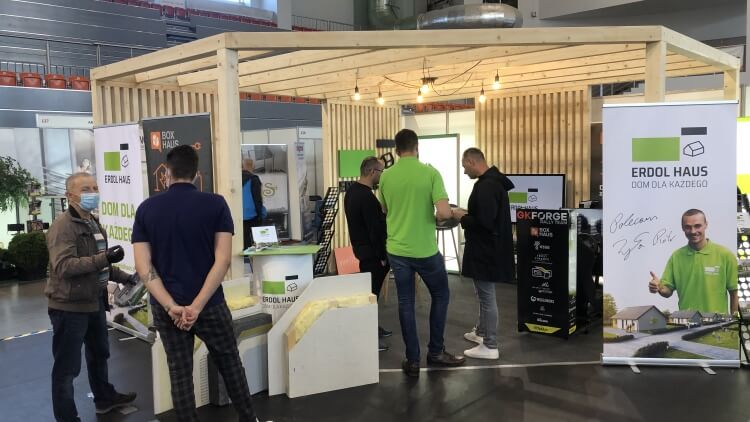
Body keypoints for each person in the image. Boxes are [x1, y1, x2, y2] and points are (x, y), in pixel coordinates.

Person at [132, 145, 259, 422]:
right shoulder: (216, 204)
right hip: (210, 304)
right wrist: (197, 306)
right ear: (196, 173)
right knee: (230, 363)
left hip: (167, 309)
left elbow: (144, 268)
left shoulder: (146, 209)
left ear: (166, 173)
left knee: (179, 372)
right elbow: (222, 261)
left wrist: (171, 306)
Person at [45, 172, 137, 421]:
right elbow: (64, 266)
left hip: (94, 302)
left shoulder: (93, 223)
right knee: (66, 368)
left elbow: (101, 266)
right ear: (70, 195)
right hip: (69, 307)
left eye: (95, 188)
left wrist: (127, 277)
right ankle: (67, 417)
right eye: (86, 189)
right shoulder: (63, 227)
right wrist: (103, 258)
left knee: (99, 354)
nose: (93, 193)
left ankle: (104, 399)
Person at [378, 128, 466, 377]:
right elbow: (444, 212)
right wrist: (442, 215)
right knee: (441, 295)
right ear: (417, 148)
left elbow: (385, 209)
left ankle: (413, 360)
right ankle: (435, 352)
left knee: (405, 303)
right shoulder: (430, 173)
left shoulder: (386, 176)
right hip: (425, 250)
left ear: (396, 150)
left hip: (397, 250)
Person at [452, 148, 515, 360]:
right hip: (488, 250)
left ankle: (490, 345)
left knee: (487, 297)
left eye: (464, 166)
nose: (464, 171)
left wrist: (461, 217)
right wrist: (466, 214)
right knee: (482, 294)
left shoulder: (487, 186)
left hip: (485, 252)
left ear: (472, 162)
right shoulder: (493, 183)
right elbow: (486, 216)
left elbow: (485, 223)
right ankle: (481, 332)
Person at [649, 209, 738, 314]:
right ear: (682, 228)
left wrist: (735, 319)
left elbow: (734, 293)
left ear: (706, 225)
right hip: (686, 321)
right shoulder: (676, 257)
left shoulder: (725, 255)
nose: (693, 231)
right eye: (688, 227)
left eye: (697, 226)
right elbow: (667, 291)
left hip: (718, 322)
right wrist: (659, 287)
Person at [343, 156, 391, 352]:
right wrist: (382, 256)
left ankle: (371, 327)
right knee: (371, 295)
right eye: (381, 172)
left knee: (370, 293)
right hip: (372, 254)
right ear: (372, 172)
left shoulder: (351, 192)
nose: (382, 176)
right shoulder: (367, 198)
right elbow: (375, 231)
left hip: (361, 250)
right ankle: (367, 336)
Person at [242, 158, 264, 249]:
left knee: (244, 239)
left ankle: (245, 255)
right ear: (253, 167)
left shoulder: (236, 178)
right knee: (257, 240)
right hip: (252, 215)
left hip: (240, 216)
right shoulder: (254, 179)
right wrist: (260, 214)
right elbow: (257, 199)